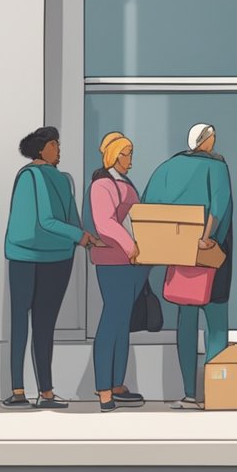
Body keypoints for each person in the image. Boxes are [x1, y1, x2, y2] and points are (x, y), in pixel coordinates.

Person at [2, 127, 101, 410]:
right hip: (36, 257)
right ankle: (22, 390)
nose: (59, 150)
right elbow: (47, 219)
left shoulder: (61, 178)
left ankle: (42, 391)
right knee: (31, 324)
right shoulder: (32, 175)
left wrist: (86, 237)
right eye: (54, 145)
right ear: (41, 149)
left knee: (36, 324)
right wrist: (81, 238)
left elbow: (72, 218)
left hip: (46, 257)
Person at [142, 123, 234, 410]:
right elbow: (219, 206)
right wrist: (207, 238)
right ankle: (216, 393)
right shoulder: (217, 167)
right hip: (212, 253)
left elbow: (148, 205)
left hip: (180, 253)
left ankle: (190, 395)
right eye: (212, 137)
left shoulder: (168, 168)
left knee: (186, 320)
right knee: (217, 324)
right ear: (203, 141)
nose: (215, 141)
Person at [86, 132, 149, 412]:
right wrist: (129, 245)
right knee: (112, 320)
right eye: (127, 154)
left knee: (123, 322)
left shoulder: (126, 183)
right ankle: (102, 388)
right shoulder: (102, 185)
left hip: (134, 263)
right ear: (114, 155)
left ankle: (116, 383)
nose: (131, 161)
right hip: (114, 261)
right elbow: (105, 223)